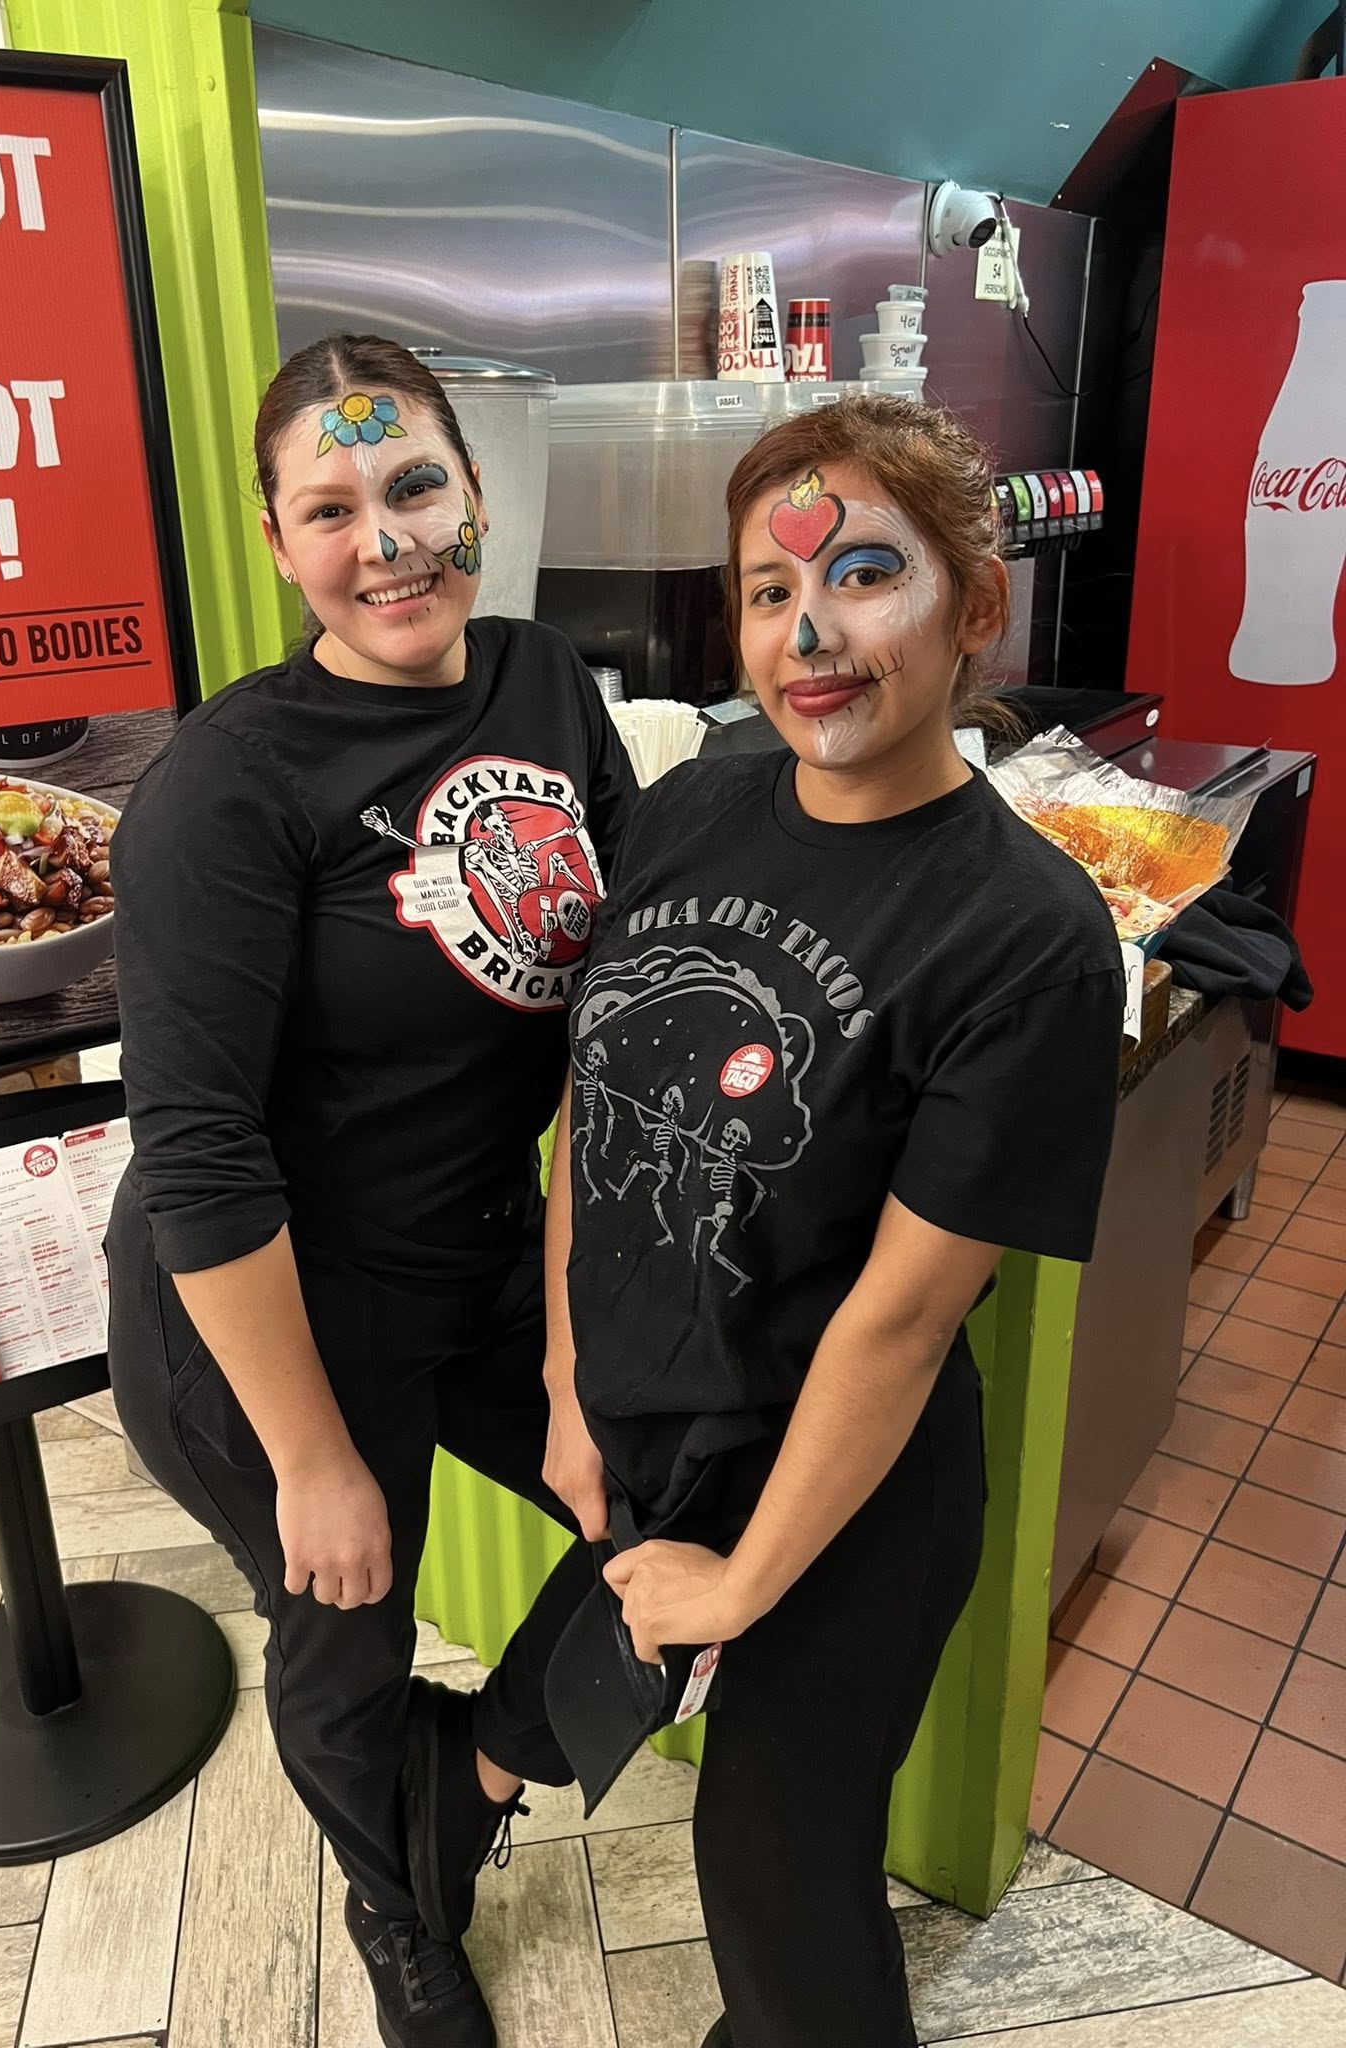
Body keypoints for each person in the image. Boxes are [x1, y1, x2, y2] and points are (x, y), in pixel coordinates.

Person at [540, 395, 1123, 2047]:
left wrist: (743, 1586)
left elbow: (902, 1317)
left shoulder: (1027, 939)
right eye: (769, 590)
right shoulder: (699, 803)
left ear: (975, 610)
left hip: (854, 1488)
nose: (812, 633)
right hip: (665, 1423)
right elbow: (596, 1109)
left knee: (774, 1880)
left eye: (865, 575)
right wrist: (573, 1385)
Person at [105, 332, 635, 2048]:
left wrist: (571, 1358)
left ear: (475, 488)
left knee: (675, 1511)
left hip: (490, 1255)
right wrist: (316, 1460)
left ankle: (470, 1777)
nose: (388, 539)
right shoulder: (230, 784)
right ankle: (396, 1903)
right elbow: (197, 1151)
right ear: (278, 545)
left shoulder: (547, 679)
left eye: (414, 485)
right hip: (274, 1317)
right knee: (343, 1634)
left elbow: (609, 1004)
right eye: (332, 506)